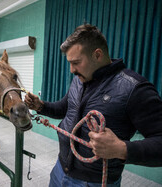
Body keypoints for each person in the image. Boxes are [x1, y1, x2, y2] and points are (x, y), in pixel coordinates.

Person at [25, 24, 162, 187]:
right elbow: (65, 108)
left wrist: (121, 149)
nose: (71, 70)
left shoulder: (134, 89)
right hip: (60, 170)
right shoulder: (79, 79)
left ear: (97, 55)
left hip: (94, 183)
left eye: (76, 62)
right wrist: (41, 106)